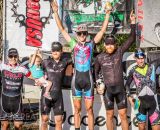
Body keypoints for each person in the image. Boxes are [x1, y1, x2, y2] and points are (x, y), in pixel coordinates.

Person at [51, 0, 111, 129]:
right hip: (76, 80)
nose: (82, 35)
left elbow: (102, 31)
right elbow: (62, 29)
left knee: (89, 109)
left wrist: (107, 14)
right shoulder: (73, 44)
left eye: (84, 33)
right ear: (77, 35)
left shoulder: (91, 44)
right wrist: (56, 12)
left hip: (88, 79)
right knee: (77, 109)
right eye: (80, 33)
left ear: (87, 34)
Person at [94, 11, 136, 130]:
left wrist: (132, 22)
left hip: (120, 89)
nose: (110, 46)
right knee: (109, 115)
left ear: (115, 45)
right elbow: (95, 72)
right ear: (104, 45)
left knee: (123, 115)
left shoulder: (120, 51)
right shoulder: (99, 57)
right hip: (108, 90)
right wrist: (98, 84)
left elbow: (132, 38)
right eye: (108, 44)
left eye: (112, 44)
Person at [40, 42, 72, 130]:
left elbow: (76, 55)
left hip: (58, 95)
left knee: (59, 120)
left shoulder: (65, 62)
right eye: (53, 50)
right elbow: (36, 70)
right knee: (44, 119)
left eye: (57, 50)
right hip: (46, 95)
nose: (55, 52)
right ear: (51, 51)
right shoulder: (45, 62)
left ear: (61, 51)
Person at [125, 48, 160, 130]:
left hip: (153, 103)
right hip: (139, 103)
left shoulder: (153, 66)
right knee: (141, 128)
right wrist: (129, 97)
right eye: (138, 58)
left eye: (142, 58)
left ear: (145, 57)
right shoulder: (132, 71)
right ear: (135, 59)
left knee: (157, 128)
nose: (140, 61)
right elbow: (127, 85)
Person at [0, 48, 31, 130]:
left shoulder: (22, 68)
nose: (13, 58)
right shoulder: (2, 66)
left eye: (15, 56)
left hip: (17, 102)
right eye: (11, 56)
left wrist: (44, 81)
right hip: (4, 102)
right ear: (8, 57)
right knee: (4, 126)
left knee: (18, 126)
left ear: (18, 57)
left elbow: (34, 77)